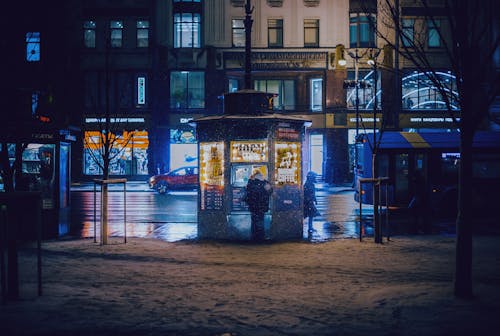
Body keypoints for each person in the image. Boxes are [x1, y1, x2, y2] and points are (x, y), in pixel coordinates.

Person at [245, 170, 273, 241]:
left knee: (254, 220)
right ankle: (261, 237)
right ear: (261, 175)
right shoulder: (265, 182)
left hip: (253, 205)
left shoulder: (251, 182)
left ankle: (254, 236)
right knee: (261, 220)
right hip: (262, 205)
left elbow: (248, 192)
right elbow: (270, 191)